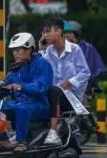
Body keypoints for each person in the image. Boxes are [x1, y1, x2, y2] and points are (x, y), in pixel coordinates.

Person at [39, 17, 91, 146]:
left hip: (71, 97)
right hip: (53, 96)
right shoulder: (48, 52)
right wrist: (41, 49)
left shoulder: (75, 50)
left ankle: (53, 131)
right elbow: (41, 70)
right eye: (43, 32)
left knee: (55, 90)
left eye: (48, 31)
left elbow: (85, 72)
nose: (45, 35)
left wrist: (69, 82)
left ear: (58, 31)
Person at [0, 33, 53, 152]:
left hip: (39, 105)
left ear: (29, 49)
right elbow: (5, 83)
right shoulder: (16, 68)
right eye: (14, 51)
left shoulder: (42, 64)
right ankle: (3, 140)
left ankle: (21, 142)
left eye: (18, 50)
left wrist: (20, 87)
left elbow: (42, 86)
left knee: (22, 108)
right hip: (19, 103)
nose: (15, 53)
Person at [63, 20, 107, 94]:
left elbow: (89, 68)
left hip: (83, 85)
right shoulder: (62, 47)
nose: (65, 35)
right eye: (64, 33)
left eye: (68, 33)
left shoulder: (87, 48)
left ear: (75, 34)